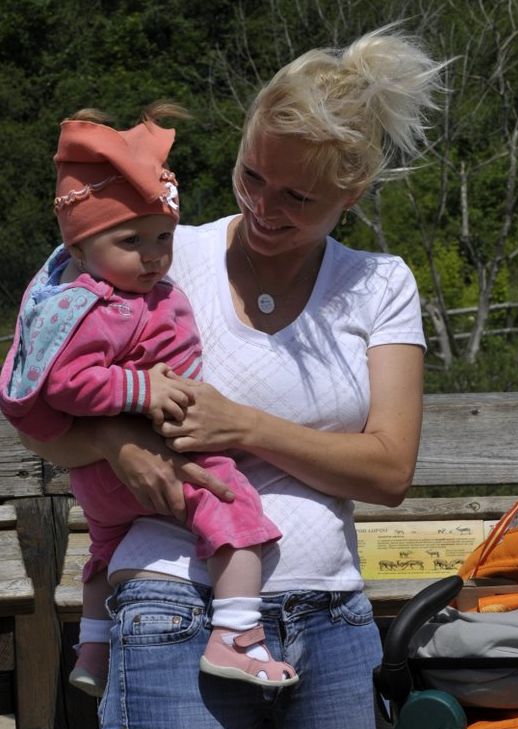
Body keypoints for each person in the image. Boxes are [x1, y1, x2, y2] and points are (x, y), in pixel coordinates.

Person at [19, 24, 442, 729]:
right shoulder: (162, 251)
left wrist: (243, 426)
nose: (264, 207)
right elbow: (33, 395)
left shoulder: (381, 285)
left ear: (352, 193)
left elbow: (391, 468)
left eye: (298, 196)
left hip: (332, 628)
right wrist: (115, 450)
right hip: (170, 606)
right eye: (253, 175)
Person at [0, 103, 297, 696]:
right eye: (131, 241)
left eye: (163, 238)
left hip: (100, 484)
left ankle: (92, 650)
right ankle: (237, 636)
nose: (155, 255)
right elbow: (67, 384)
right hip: (153, 456)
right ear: (81, 250)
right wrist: (147, 388)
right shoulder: (102, 306)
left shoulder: (105, 292)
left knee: (104, 554)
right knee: (237, 512)